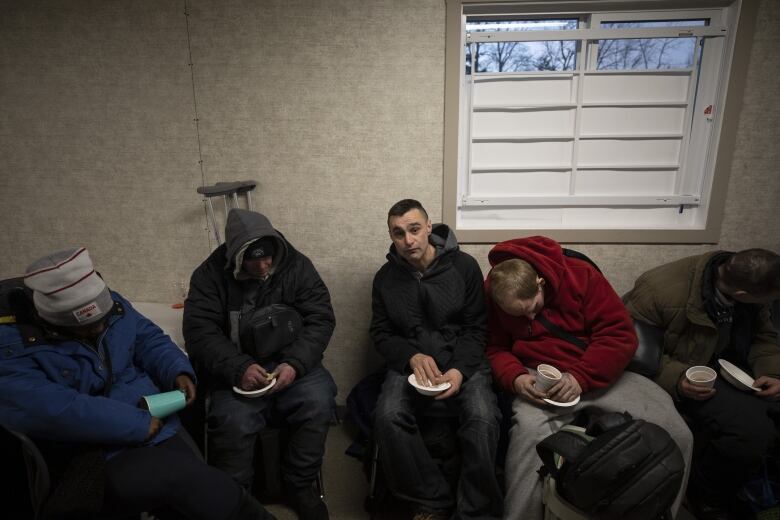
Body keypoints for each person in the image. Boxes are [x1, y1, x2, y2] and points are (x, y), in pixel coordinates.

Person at [0, 247, 273, 519]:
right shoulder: (12, 344)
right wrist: (136, 424)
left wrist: (178, 370)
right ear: (53, 321)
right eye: (86, 327)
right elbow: (53, 409)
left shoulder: (113, 304)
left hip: (152, 419)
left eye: (103, 320)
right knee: (193, 481)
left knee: (195, 489)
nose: (98, 329)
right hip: (90, 448)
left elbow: (147, 339)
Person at [484, 236, 693, 520]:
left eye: (533, 307)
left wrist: (581, 376)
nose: (530, 318)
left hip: (597, 369)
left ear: (540, 283)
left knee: (679, 432)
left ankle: (664, 512)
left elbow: (619, 336)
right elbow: (495, 348)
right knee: (528, 436)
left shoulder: (582, 276)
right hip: (538, 375)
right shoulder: (494, 291)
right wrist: (515, 377)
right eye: (519, 315)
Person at [184, 208, 336, 520]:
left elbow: (320, 319)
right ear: (237, 256)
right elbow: (200, 332)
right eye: (254, 259)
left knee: (319, 401)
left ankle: (300, 484)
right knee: (232, 421)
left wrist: (294, 363)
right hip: (237, 368)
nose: (264, 265)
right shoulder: (209, 275)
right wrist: (238, 367)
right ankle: (237, 497)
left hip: (291, 363)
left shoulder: (297, 265)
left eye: (269, 256)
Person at [370, 199, 503, 520]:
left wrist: (459, 371)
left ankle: (476, 510)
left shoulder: (465, 267)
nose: (408, 240)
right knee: (387, 416)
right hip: (412, 366)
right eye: (398, 233)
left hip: (463, 361)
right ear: (391, 236)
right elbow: (381, 333)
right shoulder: (385, 278)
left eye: (414, 230)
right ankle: (432, 499)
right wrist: (410, 356)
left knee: (483, 418)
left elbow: (476, 329)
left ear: (429, 227)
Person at [625, 248, 780, 520]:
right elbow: (632, 351)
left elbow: (764, 336)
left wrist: (773, 372)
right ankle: (706, 494)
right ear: (743, 296)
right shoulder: (658, 290)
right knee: (752, 433)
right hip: (687, 370)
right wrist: (679, 379)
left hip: (734, 365)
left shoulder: (748, 285)